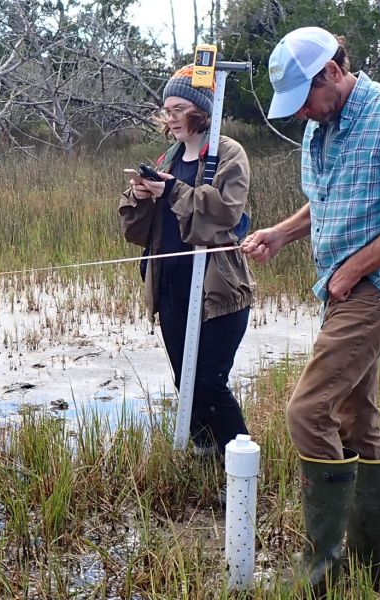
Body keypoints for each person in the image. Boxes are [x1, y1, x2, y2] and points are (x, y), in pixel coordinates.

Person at [240, 27, 380, 594]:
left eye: (306, 99)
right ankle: (367, 568)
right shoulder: (319, 130)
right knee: (358, 417)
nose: (304, 113)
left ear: (332, 72)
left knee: (307, 412)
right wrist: (280, 234)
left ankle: (325, 575)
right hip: (337, 291)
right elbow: (329, 199)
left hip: (377, 288)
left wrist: (356, 268)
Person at [119, 65, 256, 456]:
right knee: (186, 379)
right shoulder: (171, 155)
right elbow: (140, 231)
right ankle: (205, 455)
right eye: (167, 110)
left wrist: (173, 189)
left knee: (208, 381)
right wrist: (142, 196)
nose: (171, 118)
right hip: (171, 287)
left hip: (218, 289)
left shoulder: (228, 153)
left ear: (201, 111)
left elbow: (225, 214)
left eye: (180, 109)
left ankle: (241, 460)